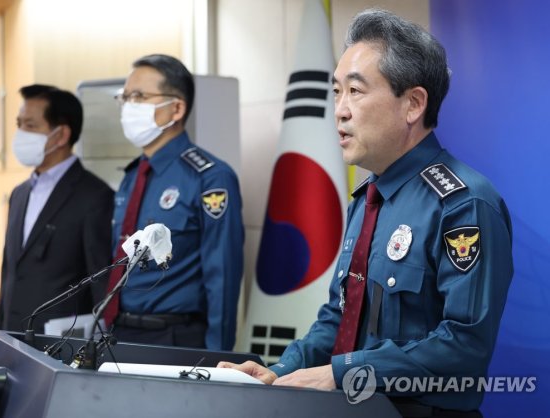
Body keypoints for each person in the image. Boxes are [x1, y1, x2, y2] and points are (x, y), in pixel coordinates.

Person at [219, 9, 513, 417]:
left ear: (413, 104)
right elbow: (338, 316)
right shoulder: (366, 199)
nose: (339, 110)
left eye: (355, 92)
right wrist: (282, 370)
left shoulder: (462, 204)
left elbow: (465, 345)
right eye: (336, 91)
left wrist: (341, 373)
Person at [106, 54, 244, 351]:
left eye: (139, 96)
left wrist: (216, 359)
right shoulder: (133, 175)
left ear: (176, 108)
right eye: (126, 97)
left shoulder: (210, 178)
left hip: (173, 339)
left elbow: (222, 277)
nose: (129, 106)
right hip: (118, 334)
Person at [0, 84, 114, 333]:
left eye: (30, 125)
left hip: (60, 345)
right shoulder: (19, 193)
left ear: (60, 136)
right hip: (13, 337)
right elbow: (10, 273)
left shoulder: (95, 196)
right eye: (19, 124)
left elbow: (101, 282)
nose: (20, 133)